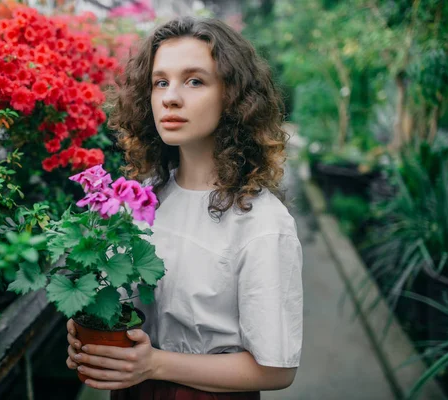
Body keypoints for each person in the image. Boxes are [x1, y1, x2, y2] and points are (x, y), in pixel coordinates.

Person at [65, 16, 303, 399]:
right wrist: (90, 334)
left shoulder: (261, 222)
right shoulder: (142, 198)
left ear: (233, 96)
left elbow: (276, 370)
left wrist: (155, 363)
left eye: (194, 80)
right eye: (161, 82)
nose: (171, 97)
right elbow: (117, 299)